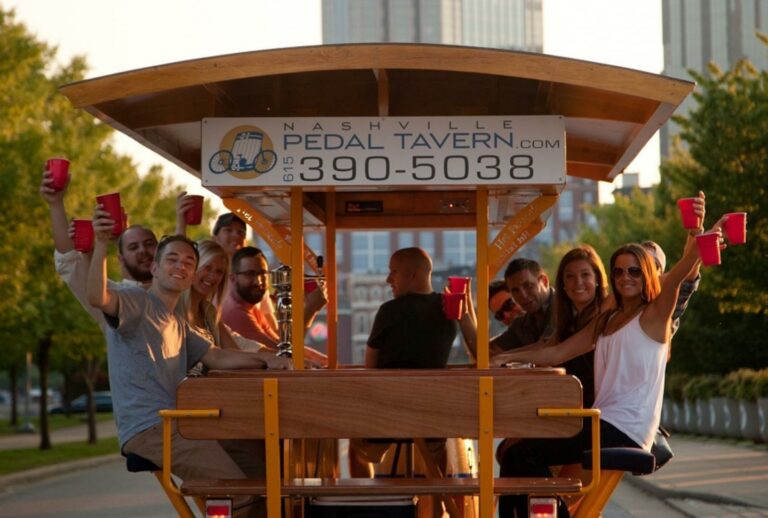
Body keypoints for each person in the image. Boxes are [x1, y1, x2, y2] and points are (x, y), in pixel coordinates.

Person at [495, 195, 711, 517]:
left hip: (625, 426)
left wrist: (695, 227)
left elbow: (684, 270)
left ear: (648, 275)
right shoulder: (606, 321)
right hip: (603, 419)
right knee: (515, 454)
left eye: (635, 272)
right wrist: (500, 361)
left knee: (524, 454)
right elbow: (556, 351)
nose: (626, 277)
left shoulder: (654, 316)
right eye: (620, 271)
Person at [87, 218, 287, 517]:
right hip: (151, 427)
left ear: (192, 274)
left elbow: (217, 357)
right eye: (172, 259)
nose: (180, 265)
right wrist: (100, 243)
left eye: (188, 262)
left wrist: (271, 360)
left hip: (180, 420)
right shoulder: (136, 302)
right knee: (237, 491)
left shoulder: (177, 322)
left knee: (264, 467)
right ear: (155, 268)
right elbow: (96, 296)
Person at [350, 247, 477, 478]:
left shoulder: (388, 311)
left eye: (393, 272)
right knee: (438, 447)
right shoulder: (447, 309)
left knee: (356, 448)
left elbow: (370, 365)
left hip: (387, 415)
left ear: (415, 275)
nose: (388, 279)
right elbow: (478, 351)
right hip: (431, 416)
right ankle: (442, 505)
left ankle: (365, 501)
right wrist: (466, 313)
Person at [39, 168, 158, 325]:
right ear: (120, 259)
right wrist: (55, 204)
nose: (142, 250)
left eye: (149, 244)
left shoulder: (177, 290)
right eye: (133, 247)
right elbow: (69, 260)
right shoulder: (111, 298)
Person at [221, 246, 328, 366]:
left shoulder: (252, 308)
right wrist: (310, 309)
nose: (258, 281)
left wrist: (323, 360)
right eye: (250, 274)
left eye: (262, 273)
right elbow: (284, 355)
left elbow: (280, 342)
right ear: (233, 278)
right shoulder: (235, 312)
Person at [490, 258, 555, 355]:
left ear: (544, 281)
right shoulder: (522, 324)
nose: (523, 295)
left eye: (528, 285)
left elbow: (547, 347)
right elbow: (487, 352)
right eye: (515, 291)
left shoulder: (565, 305)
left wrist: (505, 358)